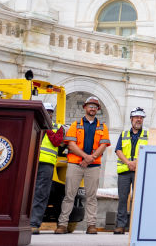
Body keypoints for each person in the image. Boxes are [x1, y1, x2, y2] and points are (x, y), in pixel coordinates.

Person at [55, 96, 110, 235]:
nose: (92, 108)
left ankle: (91, 225)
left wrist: (90, 159)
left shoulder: (102, 126)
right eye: (90, 106)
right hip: (75, 164)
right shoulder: (75, 124)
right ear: (85, 107)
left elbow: (103, 145)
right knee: (69, 195)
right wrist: (86, 157)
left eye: (94, 106)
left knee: (91, 197)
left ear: (97, 109)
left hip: (93, 165)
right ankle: (62, 224)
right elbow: (71, 145)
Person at [29, 102, 66, 235]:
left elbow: (56, 141)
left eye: (50, 112)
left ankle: (34, 223)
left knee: (41, 194)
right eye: (46, 112)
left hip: (46, 164)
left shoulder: (57, 127)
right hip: (30, 163)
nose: (48, 114)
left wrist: (47, 128)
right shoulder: (32, 124)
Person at [114, 107, 148, 235]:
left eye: (141, 117)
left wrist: (136, 163)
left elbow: (148, 151)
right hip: (124, 170)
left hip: (139, 171)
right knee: (123, 198)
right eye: (136, 117)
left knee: (138, 199)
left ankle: (135, 227)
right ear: (131, 119)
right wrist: (129, 163)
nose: (139, 120)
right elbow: (118, 150)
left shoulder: (147, 135)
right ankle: (120, 225)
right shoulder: (123, 135)